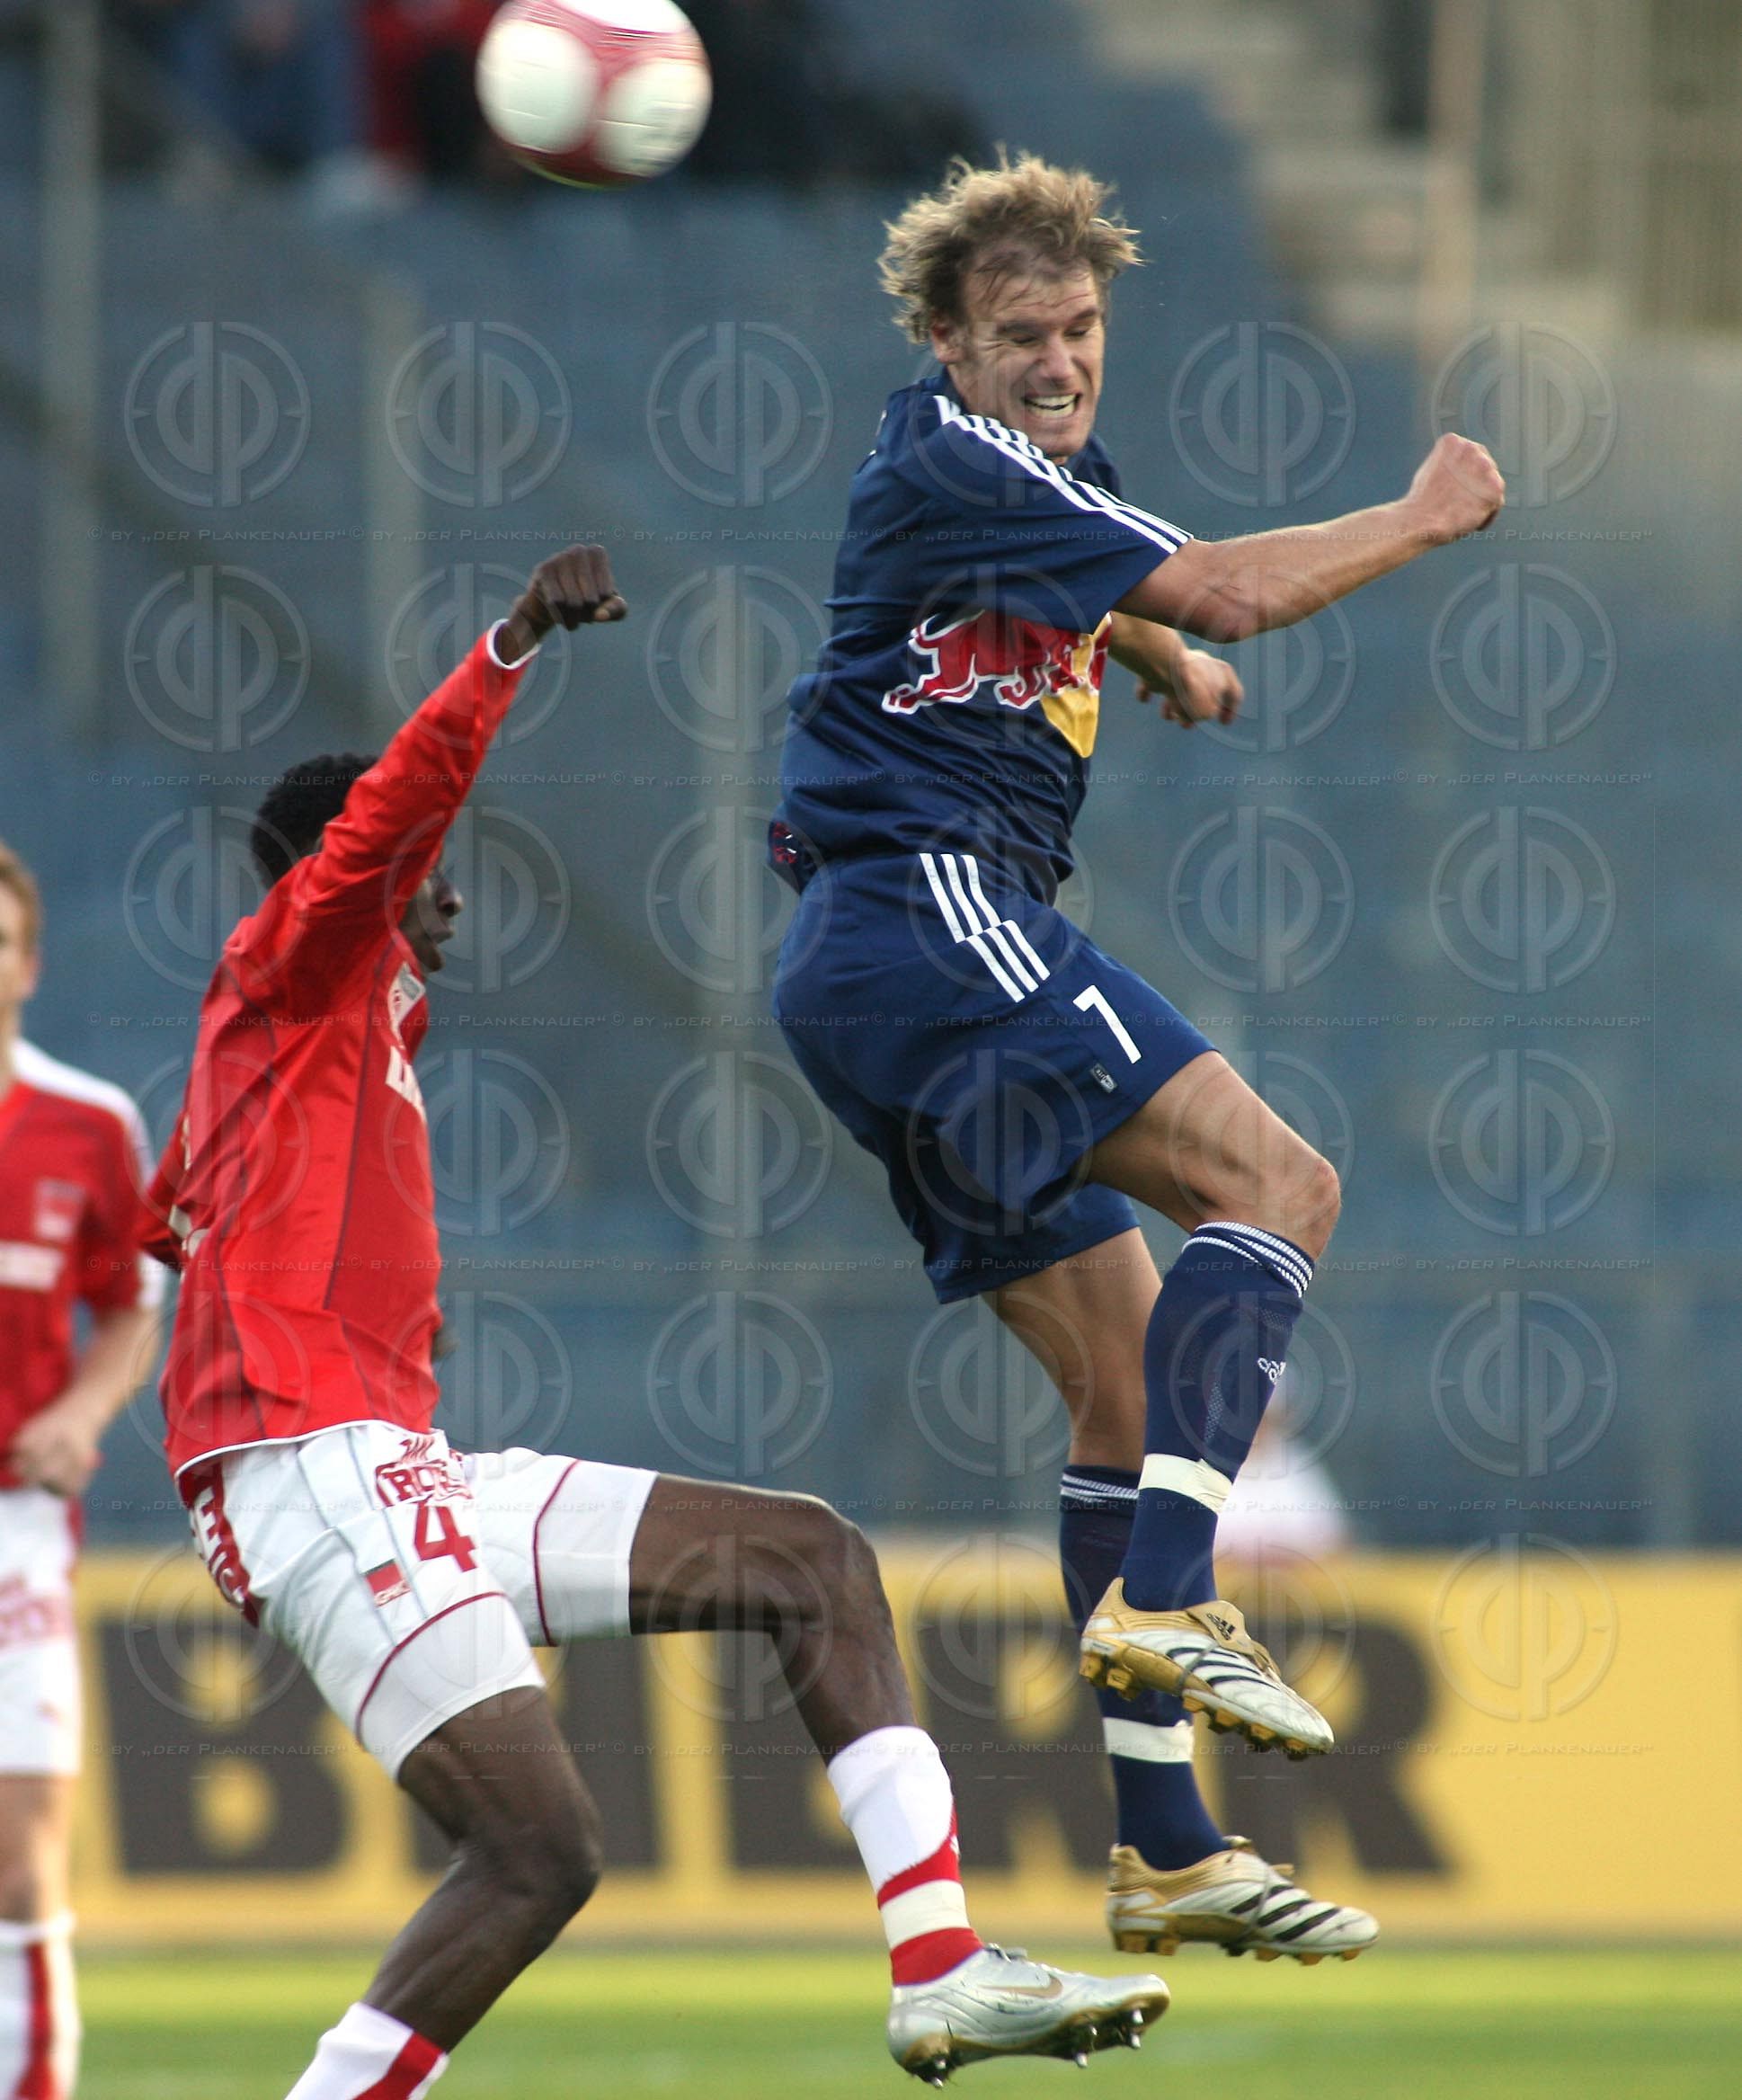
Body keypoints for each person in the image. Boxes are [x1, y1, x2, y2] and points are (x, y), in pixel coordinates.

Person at [138, 546, 1168, 2098]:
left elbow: (170, 1211)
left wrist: (258, 1272)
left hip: (391, 1463)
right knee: (536, 1852)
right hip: (317, 1461)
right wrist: (508, 642)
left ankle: (940, 1965)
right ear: (354, 876)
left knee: (811, 1563)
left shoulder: (291, 1041)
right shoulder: (297, 954)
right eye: (431, 868)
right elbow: (389, 816)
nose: (452, 892)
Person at [769, 152, 1506, 1963]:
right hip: (934, 911)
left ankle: (1166, 1848)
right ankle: (1173, 1593)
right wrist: (1420, 515)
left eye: (1080, 328)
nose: (1058, 360)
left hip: (871, 978)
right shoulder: (959, 458)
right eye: (1019, 334)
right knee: (1282, 1184)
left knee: (1119, 1381)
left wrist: (1145, 648)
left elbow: (1090, 594)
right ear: (950, 346)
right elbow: (1232, 587)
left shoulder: (1024, 489)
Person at [0, 841, 163, 2100]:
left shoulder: (91, 1122)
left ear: (29, 964)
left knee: (20, 1865)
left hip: (16, 1530)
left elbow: (130, 1304)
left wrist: (83, 1407)